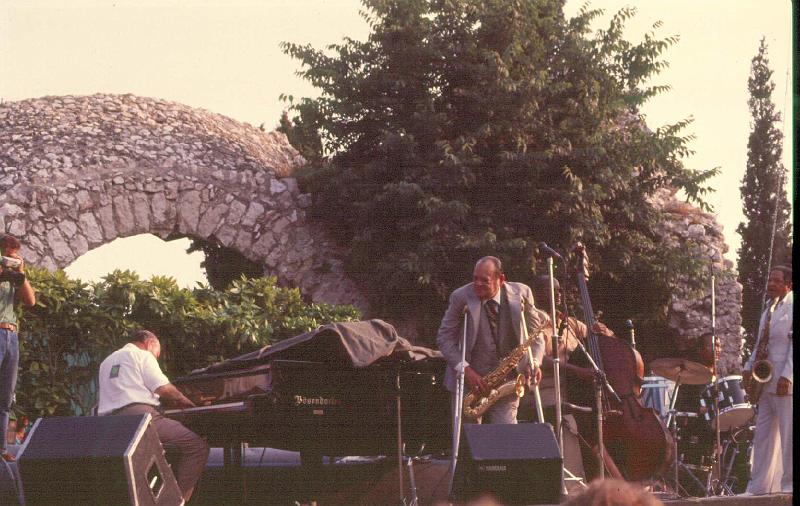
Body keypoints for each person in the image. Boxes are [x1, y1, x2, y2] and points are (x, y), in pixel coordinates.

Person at [98, 330, 210, 502]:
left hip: (111, 424)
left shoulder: (107, 361)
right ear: (150, 343)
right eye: (156, 355)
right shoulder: (142, 355)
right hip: (139, 420)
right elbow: (163, 388)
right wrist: (183, 399)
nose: (155, 358)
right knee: (197, 446)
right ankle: (175, 502)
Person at [436, 256, 547, 424]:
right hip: (469, 383)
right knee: (469, 442)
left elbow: (536, 334)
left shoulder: (522, 293)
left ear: (501, 279)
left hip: (507, 381)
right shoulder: (461, 297)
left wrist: (535, 362)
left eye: (484, 280)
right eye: (475, 279)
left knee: (506, 438)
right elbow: (444, 338)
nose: (478, 284)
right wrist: (466, 371)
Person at [743, 265, 792, 495]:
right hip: (765, 382)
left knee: (789, 437)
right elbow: (760, 344)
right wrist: (747, 367)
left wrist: (788, 376)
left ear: (788, 284)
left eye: (776, 280)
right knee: (762, 437)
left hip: (785, 382)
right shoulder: (768, 309)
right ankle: (758, 488)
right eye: (770, 279)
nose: (770, 283)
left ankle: (789, 486)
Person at [0, 234, 36, 462]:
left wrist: (19, 275)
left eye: (15, 256)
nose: (11, 259)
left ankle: (1, 450)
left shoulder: (13, 276)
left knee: (5, 398)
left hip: (11, 334)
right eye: (8, 255)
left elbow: (30, 301)